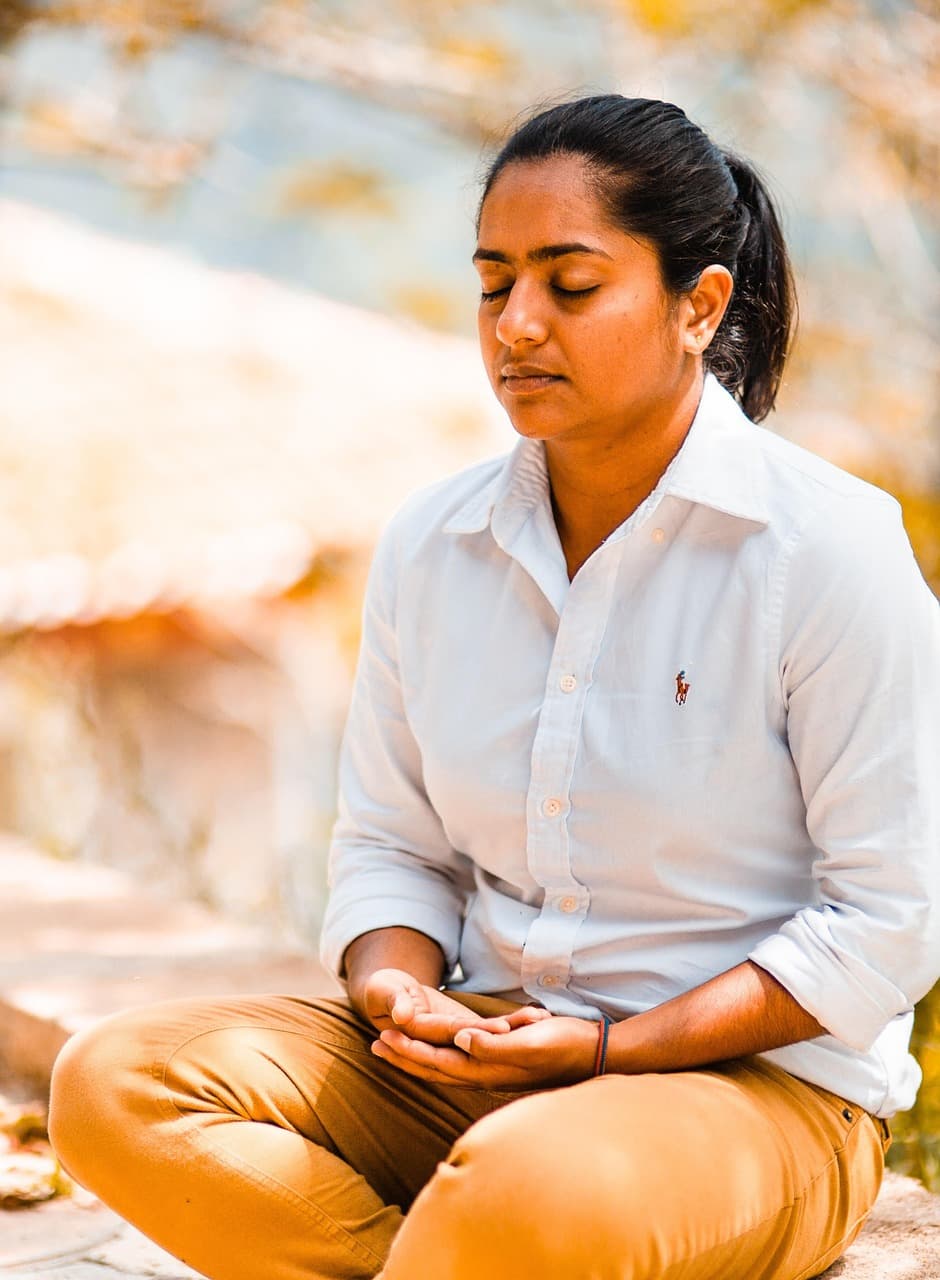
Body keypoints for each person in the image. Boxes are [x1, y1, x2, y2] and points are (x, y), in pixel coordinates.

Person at [48, 95, 940, 1280]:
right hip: (474, 1062)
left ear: (699, 304)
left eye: (569, 286)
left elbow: (886, 920)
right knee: (110, 1084)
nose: (516, 325)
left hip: (750, 1101)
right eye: (492, 283)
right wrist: (399, 992)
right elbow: (387, 844)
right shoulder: (435, 542)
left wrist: (609, 1049)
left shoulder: (824, 548)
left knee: (530, 1185)